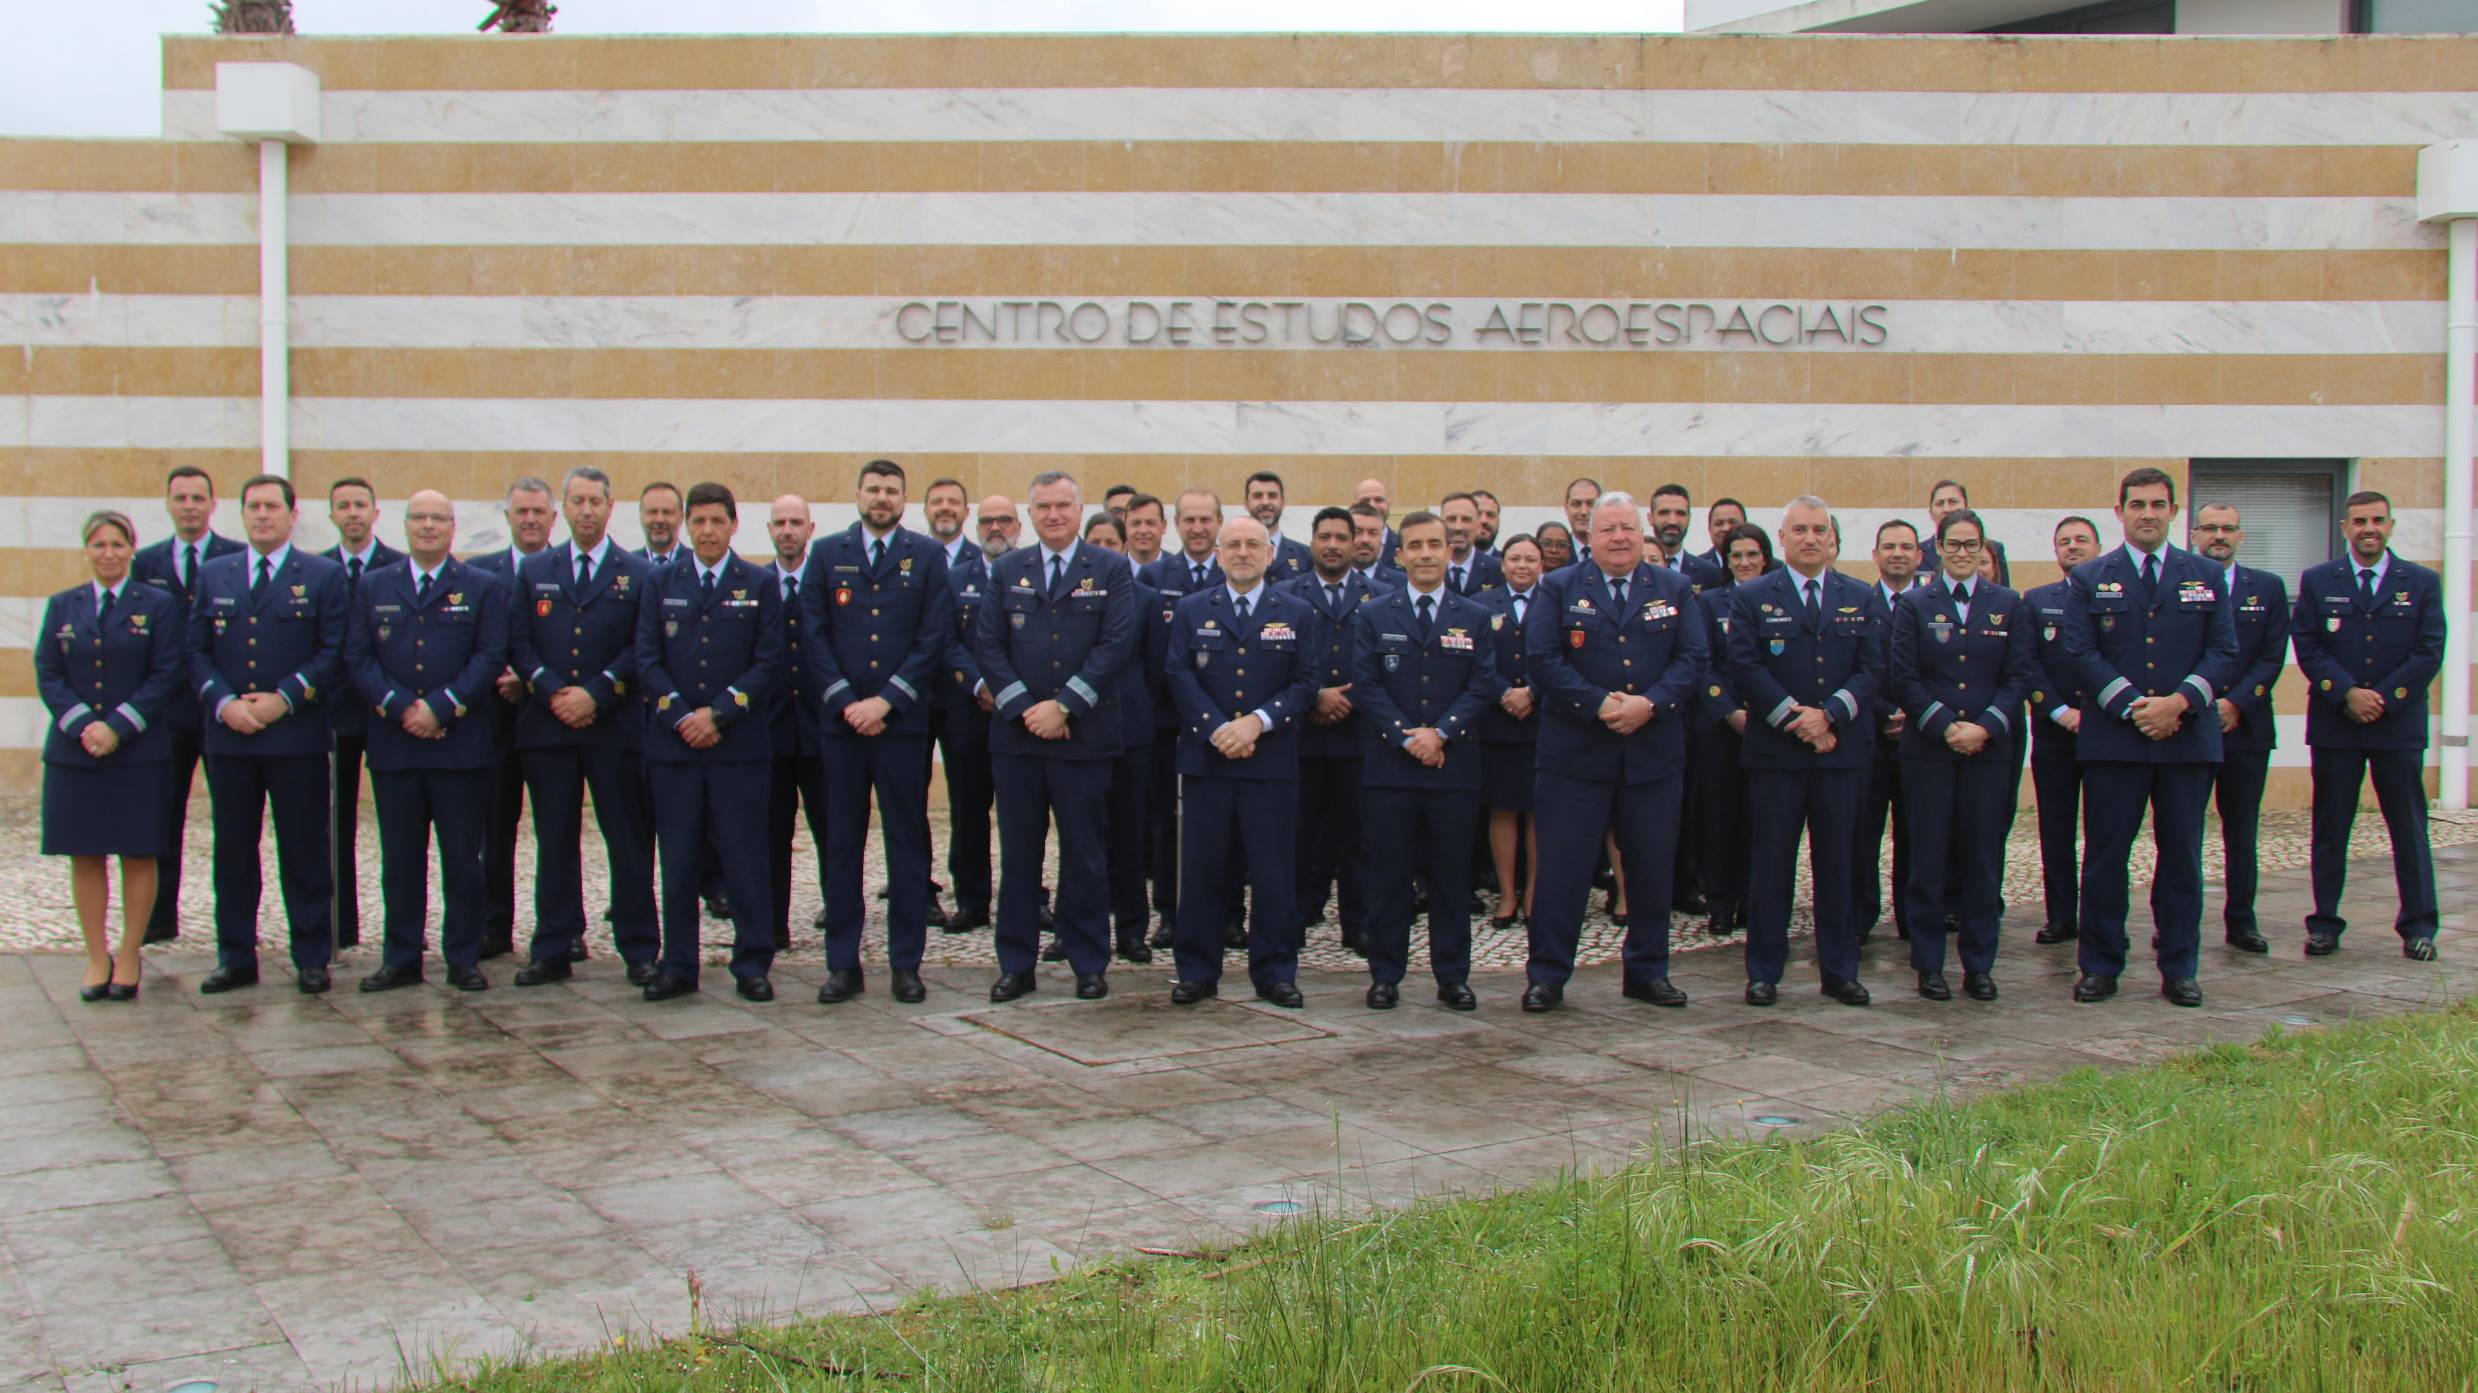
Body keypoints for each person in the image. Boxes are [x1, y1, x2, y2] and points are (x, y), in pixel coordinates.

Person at [2060, 466, 2239, 1008]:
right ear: (2119, 513)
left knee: (2182, 857)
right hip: (2116, 739)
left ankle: (2180, 966)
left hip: (2186, 737)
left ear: (2173, 512)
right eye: (2136, 504)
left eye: (2158, 505)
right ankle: (2100, 964)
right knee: (2106, 858)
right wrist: (2134, 706)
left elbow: (2225, 651)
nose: (2147, 514)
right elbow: (2079, 652)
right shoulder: (2091, 577)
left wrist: (2178, 702)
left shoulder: (2205, 573)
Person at [1523, 493, 1707, 1011]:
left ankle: (1648, 972)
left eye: (1627, 528)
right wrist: (1601, 704)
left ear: (1642, 530)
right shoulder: (1558, 587)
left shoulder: (1674, 587)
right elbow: (1542, 658)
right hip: (1575, 758)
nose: (1619, 538)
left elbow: (1693, 657)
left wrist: (1650, 704)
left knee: (1650, 870)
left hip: (1652, 755)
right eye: (1608, 530)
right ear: (1590, 537)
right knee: (1563, 871)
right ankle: (1547, 976)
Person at [973, 471, 1139, 1002]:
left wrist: (1065, 705)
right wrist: (1026, 708)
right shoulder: (1007, 569)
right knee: (1019, 855)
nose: (1054, 515)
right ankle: (1015, 964)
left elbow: (1116, 645)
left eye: (1063, 505)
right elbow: (988, 645)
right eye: (1043, 506)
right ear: (1030, 514)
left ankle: (1088, 960)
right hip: (1018, 740)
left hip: (1084, 737)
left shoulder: (1110, 568)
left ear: (1080, 506)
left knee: (1086, 854)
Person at [188, 474, 348, 996]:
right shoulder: (215, 575)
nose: (262, 515)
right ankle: (235, 956)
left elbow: (332, 651)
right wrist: (223, 702)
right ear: (241, 512)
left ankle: (310, 955)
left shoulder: (322, 576)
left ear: (291, 513)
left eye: (271, 507)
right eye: (253, 506)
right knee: (234, 851)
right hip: (231, 737)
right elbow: (195, 651)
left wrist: (286, 696)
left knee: (303, 850)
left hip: (296, 735)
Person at [345, 490, 508, 993]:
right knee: (400, 859)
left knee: (462, 859)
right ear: (406, 525)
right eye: (420, 518)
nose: (429, 526)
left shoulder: (482, 586)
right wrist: (401, 709)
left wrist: (442, 707)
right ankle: (400, 956)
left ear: (453, 527)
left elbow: (489, 655)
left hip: (459, 746)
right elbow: (358, 657)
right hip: (397, 746)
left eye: (439, 518)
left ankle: (462, 955)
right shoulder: (374, 586)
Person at [804, 460, 953, 1005]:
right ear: (858, 494)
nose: (882, 498)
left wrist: (886, 701)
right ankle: (842, 964)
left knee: (906, 846)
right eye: (874, 489)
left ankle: (905, 964)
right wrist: (848, 703)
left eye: (892, 490)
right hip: (841, 728)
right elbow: (813, 635)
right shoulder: (826, 554)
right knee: (841, 844)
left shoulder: (928, 555)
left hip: (901, 726)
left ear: (904, 497)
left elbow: (933, 635)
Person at [1729, 495, 1887, 1008]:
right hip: (1777, 753)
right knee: (1772, 864)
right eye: (1800, 530)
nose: (1811, 538)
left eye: (1820, 530)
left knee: (1839, 864)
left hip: (1841, 752)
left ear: (1834, 539)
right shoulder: (1752, 596)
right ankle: (1764, 972)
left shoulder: (1860, 596)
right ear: (1783, 537)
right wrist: (1798, 720)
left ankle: (1839, 970)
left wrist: (1831, 715)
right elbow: (1746, 666)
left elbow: (1873, 667)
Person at [507, 465, 658, 987]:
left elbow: (643, 647)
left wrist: (597, 692)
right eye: (577, 502)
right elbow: (519, 643)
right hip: (548, 727)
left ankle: (639, 946)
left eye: (596, 501)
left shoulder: (637, 573)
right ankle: (554, 943)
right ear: (562, 510)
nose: (586, 511)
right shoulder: (533, 570)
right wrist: (552, 691)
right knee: (554, 839)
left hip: (613, 726)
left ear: (610, 507)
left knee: (627, 838)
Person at [1164, 516, 1321, 1007]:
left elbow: (1306, 682)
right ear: (1218, 552)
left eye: (1253, 544)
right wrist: (1217, 729)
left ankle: (1274, 972)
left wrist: (1256, 722)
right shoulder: (1191, 610)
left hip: (1269, 761)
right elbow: (1178, 673)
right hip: (1206, 761)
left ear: (1270, 554)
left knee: (1273, 872)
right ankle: (1196, 969)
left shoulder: (1296, 612)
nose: (1243, 552)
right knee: (1202, 870)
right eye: (1232, 544)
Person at [635, 482, 783, 1003]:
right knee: (677, 860)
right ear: (685, 525)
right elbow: (647, 660)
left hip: (737, 748)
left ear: (733, 524)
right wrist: (680, 717)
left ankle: (752, 962)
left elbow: (768, 661)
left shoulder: (760, 583)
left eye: (716, 521)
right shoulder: (658, 582)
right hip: (674, 748)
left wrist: (718, 715)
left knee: (744, 858)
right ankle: (678, 963)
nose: (706, 531)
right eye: (696, 521)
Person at [1349, 510, 1502, 1010]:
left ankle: (1452, 975)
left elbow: (1482, 684)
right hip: (1391, 768)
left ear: (1449, 551)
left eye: (1434, 544)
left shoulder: (1474, 616)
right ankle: (1385, 974)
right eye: (1414, 546)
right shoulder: (1373, 615)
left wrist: (1440, 734)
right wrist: (1405, 737)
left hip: (1452, 767)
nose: (1425, 554)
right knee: (1388, 875)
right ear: (1400, 555)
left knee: (1451, 875)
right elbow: (1366, 685)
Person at [1888, 509, 2037, 1002]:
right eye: (1953, 544)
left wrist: (1985, 727)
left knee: (1982, 859)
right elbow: (1904, 677)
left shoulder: (2009, 604)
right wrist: (1945, 726)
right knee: (1927, 858)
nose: (1962, 553)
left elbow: (2018, 678)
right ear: (1939, 548)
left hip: (1989, 752)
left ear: (1983, 550)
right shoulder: (1914, 604)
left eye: (1971, 544)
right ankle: (1929, 963)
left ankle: (1979, 964)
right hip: (1930, 751)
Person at [2291, 490, 2444, 961]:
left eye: (2377, 520)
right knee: (2331, 827)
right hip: (2338, 724)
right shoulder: (2319, 580)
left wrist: (2386, 697)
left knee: (2408, 828)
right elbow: (2308, 644)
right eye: (2359, 521)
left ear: (2391, 525)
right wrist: (2346, 693)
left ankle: (2418, 925)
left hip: (2396, 725)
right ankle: (2324, 924)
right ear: (2344, 528)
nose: (2369, 529)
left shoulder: (2420, 582)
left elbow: (2429, 648)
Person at [39, 510, 184, 1002]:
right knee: (85, 851)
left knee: (138, 851)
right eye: (98, 545)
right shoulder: (63, 605)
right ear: (87, 550)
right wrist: (84, 725)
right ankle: (96, 955)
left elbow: (166, 672)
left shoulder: (158, 605)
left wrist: (118, 726)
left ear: (131, 549)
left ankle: (128, 953)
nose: (108, 553)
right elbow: (48, 672)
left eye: (117, 545)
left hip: (137, 750)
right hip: (75, 752)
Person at [130, 464, 242, 944]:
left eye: (199, 498)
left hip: (221, 706)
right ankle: (158, 920)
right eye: (181, 498)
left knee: (234, 823)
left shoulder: (234, 558)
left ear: (212, 505)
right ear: (169, 503)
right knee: (162, 817)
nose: (190, 506)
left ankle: (232, 925)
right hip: (168, 711)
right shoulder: (147, 563)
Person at [2192, 502, 2289, 955]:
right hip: (2191, 724)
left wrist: (2236, 702)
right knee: (2183, 831)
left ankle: (2242, 920)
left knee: (2242, 830)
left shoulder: (2267, 588)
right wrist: (2205, 701)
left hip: (2246, 726)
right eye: (2210, 527)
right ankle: (2175, 919)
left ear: (2241, 536)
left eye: (2228, 528)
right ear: (2194, 534)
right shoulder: (2182, 581)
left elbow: (2272, 657)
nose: (2219, 535)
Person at [1287, 506, 1385, 955]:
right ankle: (1296, 914)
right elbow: (1278, 666)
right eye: (1324, 536)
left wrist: (1346, 700)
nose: (1332, 544)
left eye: (1341, 537)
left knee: (1360, 837)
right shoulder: (1285, 595)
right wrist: (1314, 698)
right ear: (1312, 543)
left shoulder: (1381, 595)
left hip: (1358, 736)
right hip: (1300, 737)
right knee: (1299, 835)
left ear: (1354, 544)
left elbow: (1387, 669)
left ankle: (1359, 922)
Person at [469, 476, 556, 960]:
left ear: (552, 518)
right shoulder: (482, 575)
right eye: (520, 511)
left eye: (538, 512)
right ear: (507, 517)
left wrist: (532, 681)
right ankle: (493, 926)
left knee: (556, 832)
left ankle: (563, 929)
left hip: (548, 719)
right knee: (494, 832)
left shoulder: (567, 569)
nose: (529, 519)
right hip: (494, 723)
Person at [1137, 488, 1228, 947]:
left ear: (1219, 522)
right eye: (1188, 520)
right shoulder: (1154, 576)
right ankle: (1169, 912)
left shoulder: (1236, 571)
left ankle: (1229, 912)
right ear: (1176, 524)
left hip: (1226, 724)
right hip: (1167, 720)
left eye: (1205, 520)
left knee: (1228, 820)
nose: (1197, 528)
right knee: (1167, 820)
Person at [322, 476, 401, 951]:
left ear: (376, 512)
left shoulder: (397, 566)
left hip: (389, 710)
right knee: (335, 823)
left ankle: (402, 930)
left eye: (360, 505)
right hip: (336, 712)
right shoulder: (315, 569)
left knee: (397, 826)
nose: (352, 513)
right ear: (331, 514)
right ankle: (341, 925)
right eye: (343, 506)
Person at [1082, 513, 1162, 964]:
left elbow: (1153, 669)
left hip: (1131, 732)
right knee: (1082, 837)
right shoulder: (1074, 593)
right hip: (1080, 730)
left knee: (1130, 835)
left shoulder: (1146, 598)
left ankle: (1132, 929)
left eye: (1111, 541)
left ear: (1125, 545)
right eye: (1095, 541)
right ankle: (1078, 923)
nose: (1104, 548)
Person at [1691, 523, 1773, 935]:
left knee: (1765, 819)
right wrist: (1728, 711)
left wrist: (1763, 713)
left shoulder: (1778, 601)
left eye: (1751, 555)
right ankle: (1721, 903)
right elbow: (1701, 663)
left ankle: (1757, 902)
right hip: (1721, 728)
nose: (1744, 563)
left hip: (1771, 725)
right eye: (1736, 556)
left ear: (1765, 557)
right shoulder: (1709, 604)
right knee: (1721, 819)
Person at [2023, 516, 2101, 947]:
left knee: (2103, 829)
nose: (2072, 547)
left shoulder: (2112, 595)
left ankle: (2098, 915)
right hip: (2054, 733)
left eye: (2081, 540)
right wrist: (2058, 711)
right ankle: (2060, 916)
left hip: (2104, 728)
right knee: (2056, 827)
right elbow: (2028, 664)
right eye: (2064, 541)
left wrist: (2093, 710)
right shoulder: (2037, 601)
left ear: (2097, 547)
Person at [929, 481, 995, 933]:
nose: (996, 528)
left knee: (1024, 815)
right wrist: (977, 684)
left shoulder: (1024, 570)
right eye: (989, 522)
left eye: (1004, 521)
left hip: (1018, 714)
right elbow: (947, 640)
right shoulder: (957, 577)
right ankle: (972, 899)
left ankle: (1030, 899)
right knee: (968, 810)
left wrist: (1007, 689)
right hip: (966, 713)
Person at [763, 495, 828, 957]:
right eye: (780, 523)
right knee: (769, 835)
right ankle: (771, 925)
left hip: (823, 731)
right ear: (769, 530)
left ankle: (840, 915)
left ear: (810, 528)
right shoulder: (756, 584)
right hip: (769, 733)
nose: (788, 530)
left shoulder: (824, 584)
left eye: (796, 522)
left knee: (833, 832)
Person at [1855, 520, 1924, 944]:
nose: (1898, 553)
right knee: (1862, 832)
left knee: (1917, 834)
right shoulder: (1859, 602)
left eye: (1906, 547)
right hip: (1870, 736)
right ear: (1876, 555)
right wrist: (1885, 713)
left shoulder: (1930, 604)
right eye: (1889, 546)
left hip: (1921, 736)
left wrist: (1915, 714)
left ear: (1919, 556)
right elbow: (1859, 667)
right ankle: (1859, 915)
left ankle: (1913, 918)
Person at [1479, 535, 1544, 929]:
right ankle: (1506, 895)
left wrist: (1532, 692)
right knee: (1502, 808)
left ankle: (1535, 893)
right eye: (1515, 558)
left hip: (1541, 721)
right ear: (1502, 564)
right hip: (1497, 720)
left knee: (1539, 811)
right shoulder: (1482, 605)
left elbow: (1561, 654)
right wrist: (1505, 692)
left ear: (1542, 565)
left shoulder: (1553, 603)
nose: (1522, 565)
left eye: (1530, 559)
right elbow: (1477, 658)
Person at [1928, 480, 2009, 586]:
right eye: (1940, 503)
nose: (1946, 509)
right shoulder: (1917, 552)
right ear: (1930, 513)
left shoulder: (1993, 548)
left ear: (1966, 507)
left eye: (1953, 502)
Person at [1648, 484, 1724, 591]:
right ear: (1650, 518)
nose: (1672, 521)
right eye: (1664, 513)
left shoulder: (1709, 573)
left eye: (1680, 513)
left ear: (1689, 519)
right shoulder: (1635, 568)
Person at [1242, 470, 1315, 581]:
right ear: (1246, 504)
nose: (1265, 502)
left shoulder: (1306, 556)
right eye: (1258, 496)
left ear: (1282, 503)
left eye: (1272, 496)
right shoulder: (1232, 553)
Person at [1439, 493, 1503, 596]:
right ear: (1441, 524)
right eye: (1451, 519)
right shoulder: (1426, 567)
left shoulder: (1499, 571)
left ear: (1477, 524)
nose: (1458, 527)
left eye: (1466, 519)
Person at [1349, 504, 1406, 589]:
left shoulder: (1404, 583)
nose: (1365, 540)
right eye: (1357, 532)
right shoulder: (1328, 580)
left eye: (1373, 533)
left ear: (1382, 536)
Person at [1352, 477, 1399, 570]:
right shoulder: (1340, 547)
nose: (1372, 506)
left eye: (1379, 500)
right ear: (1354, 505)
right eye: (1365, 501)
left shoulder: (1404, 547)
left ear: (1388, 504)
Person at [639, 482, 686, 568]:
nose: (659, 520)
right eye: (652, 512)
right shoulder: (626, 567)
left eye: (667, 512)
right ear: (641, 516)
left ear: (681, 517)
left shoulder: (696, 565)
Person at [1699, 498, 1748, 573]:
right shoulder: (1696, 568)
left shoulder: (1766, 566)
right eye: (1719, 523)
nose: (1726, 528)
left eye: (1733, 522)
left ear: (1746, 525)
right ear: (1709, 529)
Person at [1562, 477, 1603, 564]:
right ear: (1566, 508)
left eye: (1590, 504)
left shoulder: (1612, 551)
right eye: (1576, 504)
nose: (1583, 511)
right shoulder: (1556, 553)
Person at [1470, 490, 1502, 555]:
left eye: (1490, 515)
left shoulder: (1505, 564)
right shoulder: (1446, 562)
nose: (1484, 520)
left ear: (1498, 522)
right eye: (1477, 514)